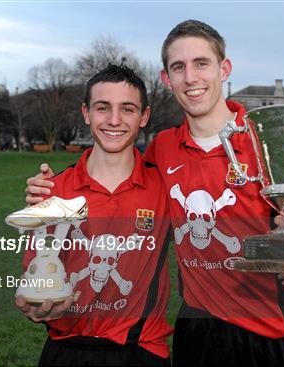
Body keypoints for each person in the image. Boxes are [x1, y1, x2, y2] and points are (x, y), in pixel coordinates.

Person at [25, 20, 284, 366]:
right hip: (198, 329)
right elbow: (112, 184)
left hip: (271, 332)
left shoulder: (265, 142)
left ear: (224, 68)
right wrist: (49, 187)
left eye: (201, 63)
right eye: (178, 67)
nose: (191, 78)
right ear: (166, 78)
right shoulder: (162, 149)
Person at [15, 64, 172, 366]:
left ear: (144, 117)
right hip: (67, 350)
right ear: (86, 113)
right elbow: (37, 274)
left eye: (127, 109)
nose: (114, 120)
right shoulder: (53, 190)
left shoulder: (163, 186)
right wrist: (37, 305)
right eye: (103, 108)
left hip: (142, 349)